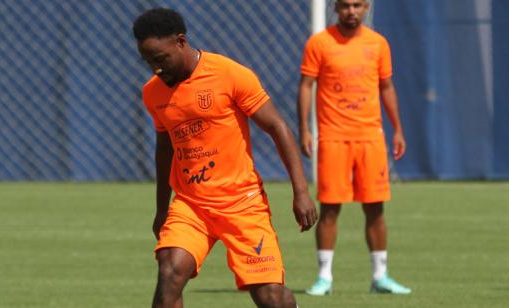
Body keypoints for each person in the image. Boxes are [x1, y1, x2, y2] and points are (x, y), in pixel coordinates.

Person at [133, 8, 317, 308]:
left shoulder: (229, 74)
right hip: (191, 204)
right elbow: (164, 148)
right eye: (148, 61)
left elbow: (277, 127)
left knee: (269, 296)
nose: (156, 68)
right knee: (170, 271)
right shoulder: (153, 92)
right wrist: (161, 208)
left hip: (242, 203)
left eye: (161, 58)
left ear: (181, 41)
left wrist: (301, 192)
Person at [298, 0, 411, 295]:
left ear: (366, 7)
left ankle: (380, 276)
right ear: (336, 7)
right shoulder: (320, 43)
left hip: (370, 138)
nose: (351, 11)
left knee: (375, 207)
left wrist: (397, 128)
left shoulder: (378, 44)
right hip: (334, 137)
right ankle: (324, 277)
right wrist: (305, 130)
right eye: (346, 5)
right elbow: (306, 85)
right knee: (330, 207)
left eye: (358, 5)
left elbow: (386, 87)